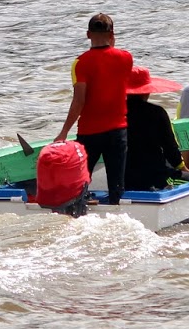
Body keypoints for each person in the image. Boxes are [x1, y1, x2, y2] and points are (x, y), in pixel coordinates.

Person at [53, 13, 133, 205]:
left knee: (81, 184)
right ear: (112, 34)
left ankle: (79, 214)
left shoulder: (81, 63)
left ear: (88, 34)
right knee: (117, 187)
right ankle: (116, 211)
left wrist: (64, 132)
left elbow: (79, 101)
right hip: (118, 130)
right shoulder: (126, 58)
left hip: (90, 132)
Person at [124, 67, 189, 191]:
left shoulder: (115, 114)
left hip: (124, 179)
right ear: (147, 92)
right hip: (156, 177)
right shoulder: (157, 113)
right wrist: (184, 169)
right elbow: (170, 147)